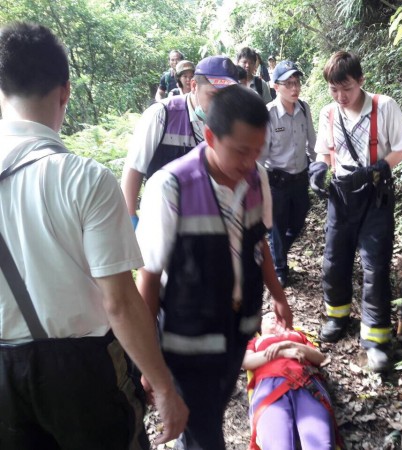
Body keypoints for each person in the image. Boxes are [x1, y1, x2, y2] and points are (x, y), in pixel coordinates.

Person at [0, 22, 188, 449]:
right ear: (65, 92)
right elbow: (119, 302)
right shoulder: (85, 179)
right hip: (84, 372)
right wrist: (163, 386)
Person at [135, 84, 293, 450]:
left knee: (208, 415)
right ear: (210, 136)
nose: (249, 162)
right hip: (186, 340)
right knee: (207, 434)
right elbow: (149, 277)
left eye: (257, 151)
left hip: (236, 332)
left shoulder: (257, 179)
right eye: (240, 151)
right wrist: (148, 363)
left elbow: (259, 241)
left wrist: (278, 295)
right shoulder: (170, 187)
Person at [310, 51, 402, 372]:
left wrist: (379, 167)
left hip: (375, 196)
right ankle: (337, 317)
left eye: (347, 89)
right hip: (340, 195)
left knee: (375, 265)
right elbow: (324, 152)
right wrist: (317, 171)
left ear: (361, 81)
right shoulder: (328, 113)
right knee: (334, 260)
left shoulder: (385, 107)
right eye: (334, 90)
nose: (341, 97)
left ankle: (376, 337)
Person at [121, 55, 238, 228]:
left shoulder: (232, 123)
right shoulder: (162, 115)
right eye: (213, 95)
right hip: (161, 222)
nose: (221, 105)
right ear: (193, 86)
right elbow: (134, 169)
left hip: (207, 224)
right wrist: (130, 219)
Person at [242, 312, 340, 450]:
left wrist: (290, 344)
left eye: (276, 316)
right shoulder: (255, 342)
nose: (273, 318)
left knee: (322, 446)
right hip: (270, 387)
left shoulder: (298, 336)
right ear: (260, 325)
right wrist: (280, 352)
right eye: (268, 317)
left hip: (307, 383)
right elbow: (246, 362)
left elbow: (321, 359)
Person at [259, 60, 316, 287]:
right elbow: (260, 156)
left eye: (297, 82)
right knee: (278, 227)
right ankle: (280, 270)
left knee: (299, 221)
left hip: (300, 178)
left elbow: (312, 142)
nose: (295, 88)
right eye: (288, 83)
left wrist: (319, 166)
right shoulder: (268, 114)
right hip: (277, 181)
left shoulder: (304, 108)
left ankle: (275, 254)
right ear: (276, 87)